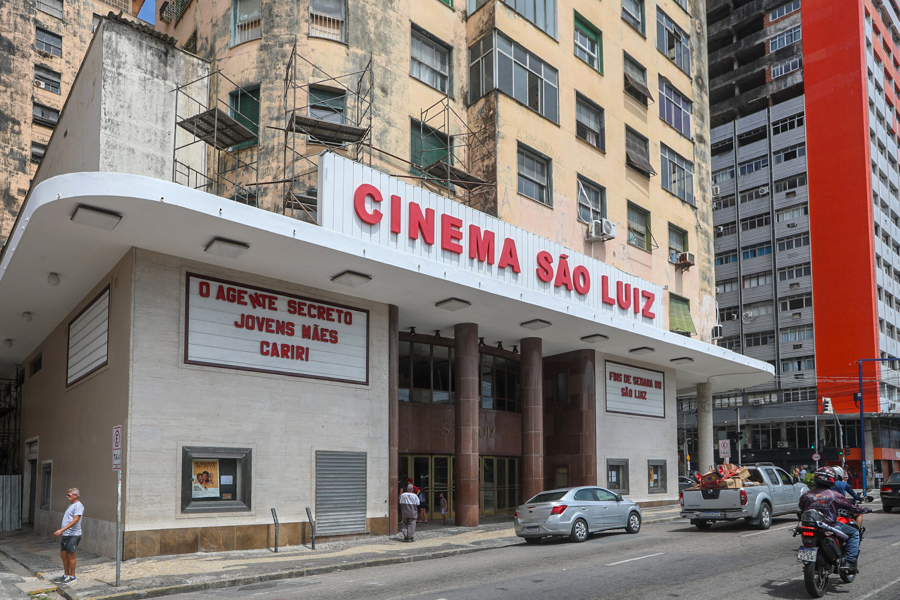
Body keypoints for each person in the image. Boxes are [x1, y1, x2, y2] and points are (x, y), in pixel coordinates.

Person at [799, 467, 870, 574]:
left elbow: (801, 508)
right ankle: (849, 562)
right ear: (832, 479)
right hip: (829, 524)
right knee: (854, 533)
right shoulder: (834, 495)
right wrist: (864, 510)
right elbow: (851, 507)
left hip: (809, 525)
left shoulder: (806, 495)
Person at [53, 488, 84, 584]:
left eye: (69, 495)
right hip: (66, 534)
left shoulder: (78, 506)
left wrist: (61, 530)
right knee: (63, 555)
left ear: (76, 495)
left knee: (71, 555)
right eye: (67, 495)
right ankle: (66, 575)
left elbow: (75, 520)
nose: (67, 496)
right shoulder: (71, 506)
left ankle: (72, 576)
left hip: (73, 534)